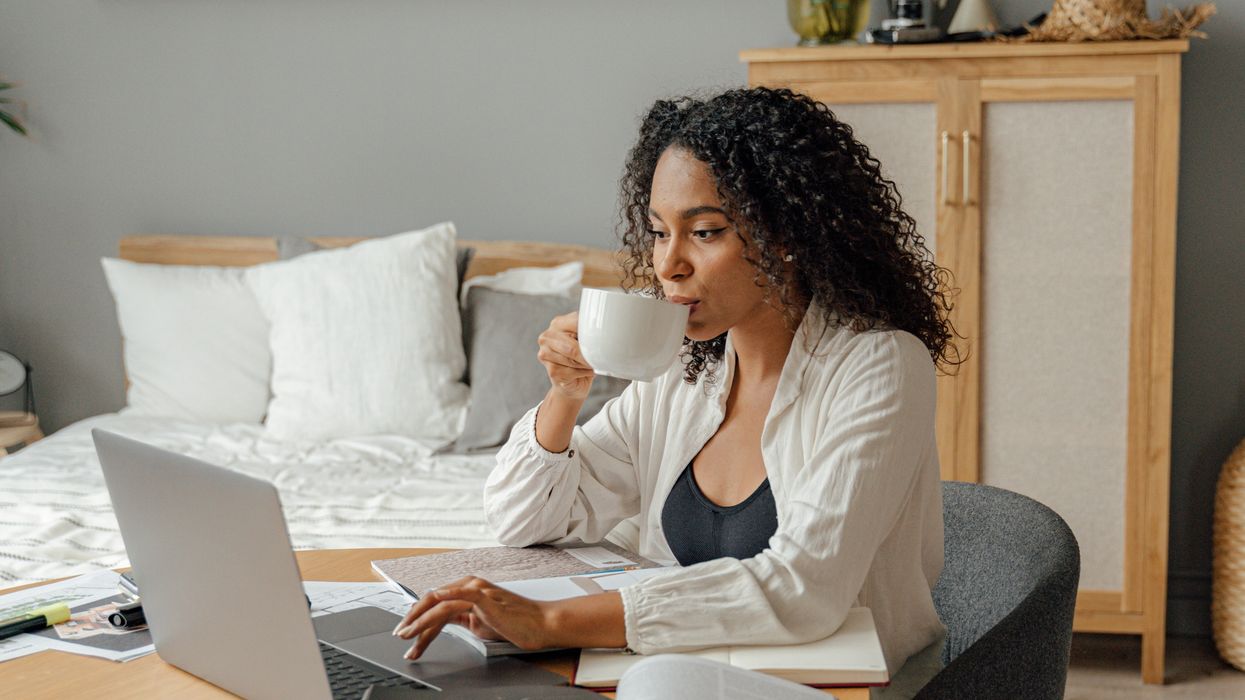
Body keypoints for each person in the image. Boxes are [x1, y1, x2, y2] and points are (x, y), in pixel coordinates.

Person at [394, 87, 960, 697]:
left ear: (787, 235)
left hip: (839, 683)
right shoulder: (682, 373)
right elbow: (521, 520)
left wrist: (550, 621)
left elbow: (806, 589)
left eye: (706, 232)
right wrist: (566, 394)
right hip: (693, 665)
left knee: (658, 687)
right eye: (660, 233)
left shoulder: (880, 366)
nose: (669, 264)